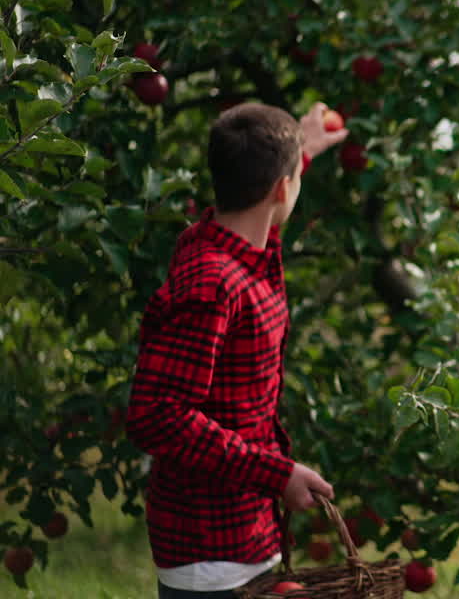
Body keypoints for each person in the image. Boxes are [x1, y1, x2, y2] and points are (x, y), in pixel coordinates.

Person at [127, 102, 347, 599]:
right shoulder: (212, 284)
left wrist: (300, 150)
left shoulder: (225, 244)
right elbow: (155, 415)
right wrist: (278, 472)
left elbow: (263, 208)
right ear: (279, 189)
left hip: (249, 529)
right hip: (211, 551)